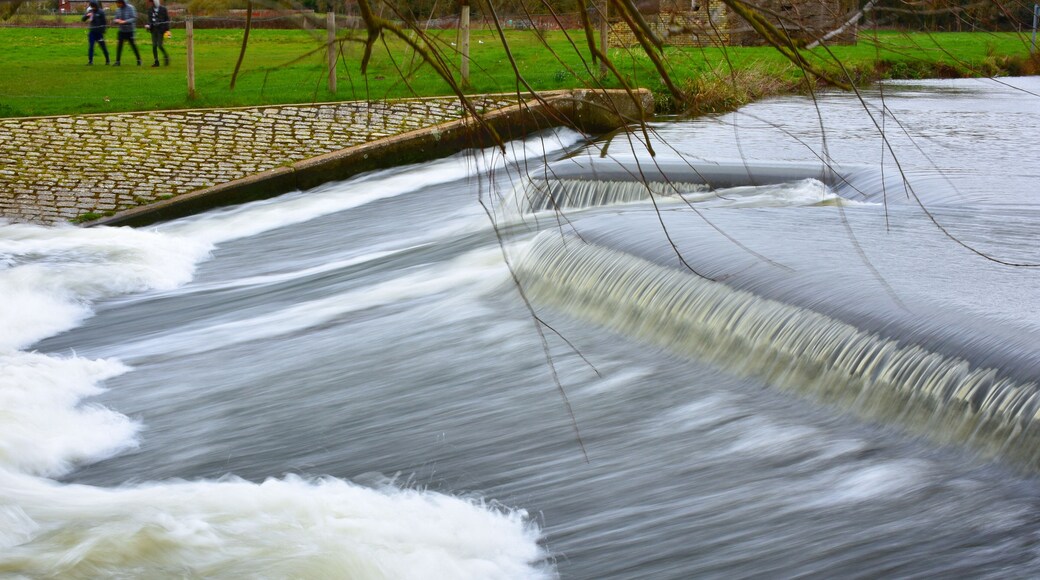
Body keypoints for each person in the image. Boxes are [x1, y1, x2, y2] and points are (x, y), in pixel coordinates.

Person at [112, 0, 141, 66]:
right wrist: (116, 20)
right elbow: (115, 19)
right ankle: (117, 61)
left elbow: (134, 18)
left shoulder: (131, 8)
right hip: (121, 31)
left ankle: (139, 60)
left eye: (118, 3)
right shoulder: (118, 10)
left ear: (122, 3)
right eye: (116, 3)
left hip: (130, 31)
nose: (117, 4)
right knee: (119, 46)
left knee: (133, 46)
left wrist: (125, 21)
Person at [81, 0, 110, 65]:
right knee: (91, 46)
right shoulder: (90, 11)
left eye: (94, 6)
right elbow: (83, 19)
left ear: (96, 5)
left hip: (99, 33)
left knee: (103, 47)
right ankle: (90, 61)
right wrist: (87, 16)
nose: (93, 8)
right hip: (92, 32)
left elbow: (104, 22)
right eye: (92, 6)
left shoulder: (101, 12)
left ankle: (107, 60)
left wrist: (103, 30)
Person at [145, 0, 170, 67]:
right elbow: (149, 20)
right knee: (154, 46)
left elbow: (167, 19)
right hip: (153, 30)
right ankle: (156, 61)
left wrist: (167, 30)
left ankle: (166, 57)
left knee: (159, 45)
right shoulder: (150, 10)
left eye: (152, 2)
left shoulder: (163, 9)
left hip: (161, 30)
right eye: (151, 2)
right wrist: (148, 25)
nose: (151, 3)